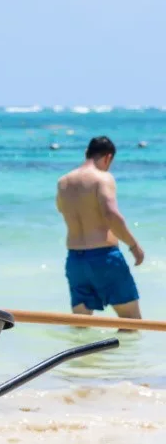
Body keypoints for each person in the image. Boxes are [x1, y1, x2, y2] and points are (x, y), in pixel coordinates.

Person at [56, 136, 143, 319]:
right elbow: (111, 214)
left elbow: (62, 210)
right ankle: (121, 350)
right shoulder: (102, 178)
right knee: (132, 323)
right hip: (104, 258)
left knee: (81, 326)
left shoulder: (63, 182)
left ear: (86, 154)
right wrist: (134, 246)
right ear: (108, 157)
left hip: (75, 261)